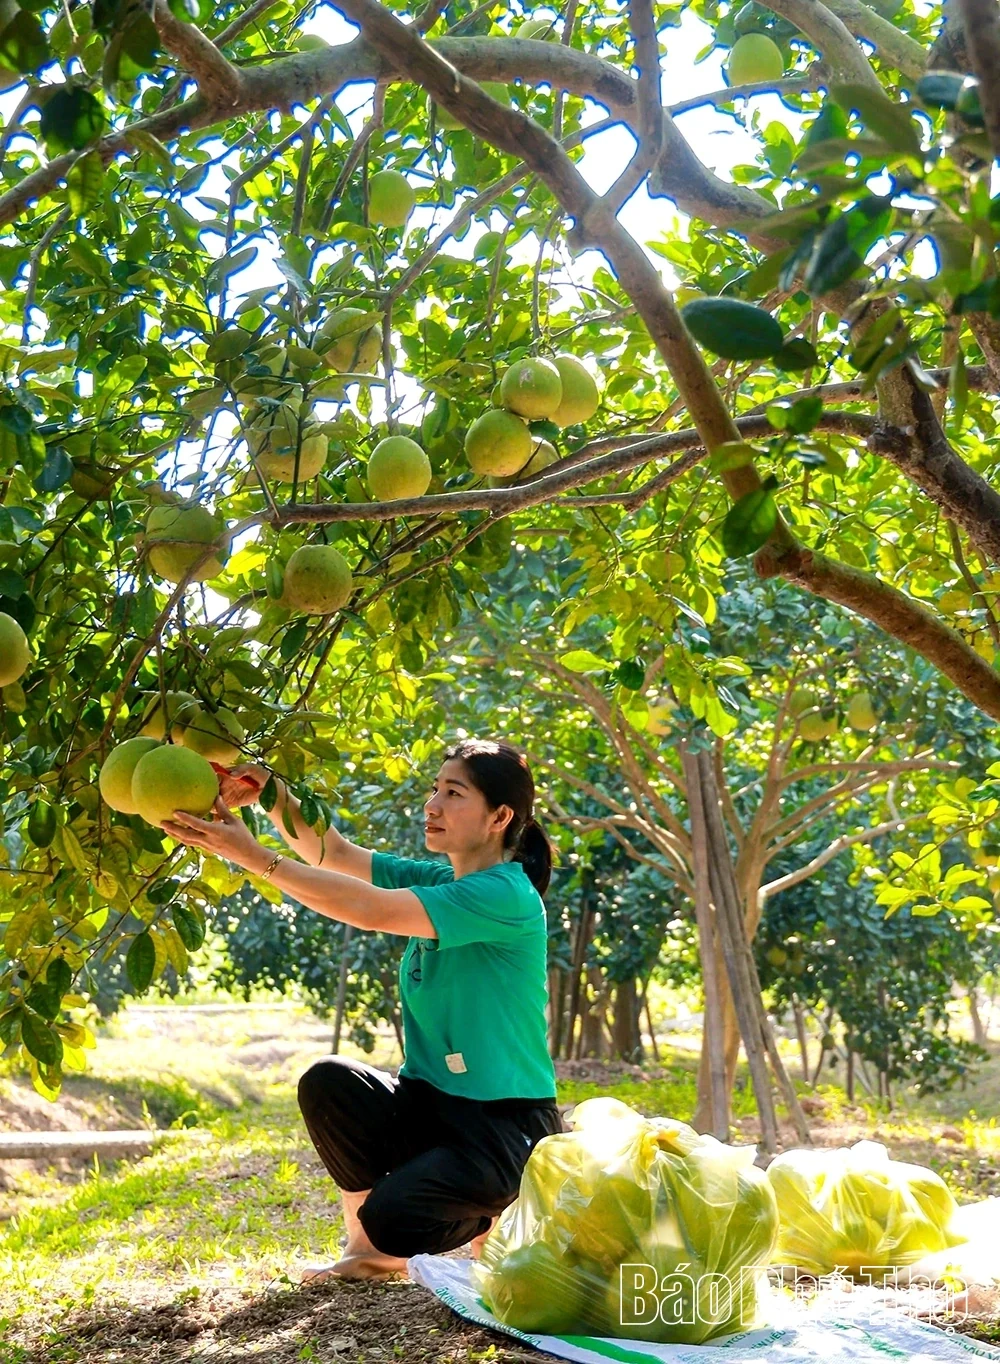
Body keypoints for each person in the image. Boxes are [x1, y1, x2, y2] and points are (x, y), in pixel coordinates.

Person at [163, 737, 564, 1283]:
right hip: (433, 1105)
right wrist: (267, 790)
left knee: (395, 1218)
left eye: (453, 793)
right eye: (434, 789)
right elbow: (338, 856)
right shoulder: (443, 881)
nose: (433, 805)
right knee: (332, 1084)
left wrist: (254, 857)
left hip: (504, 1124)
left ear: (499, 816)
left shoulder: (505, 896)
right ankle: (370, 1256)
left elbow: (369, 909)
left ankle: (503, 1208)